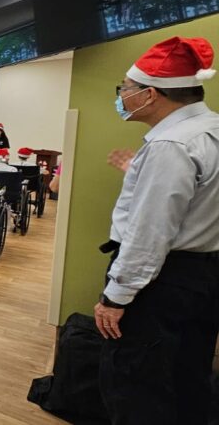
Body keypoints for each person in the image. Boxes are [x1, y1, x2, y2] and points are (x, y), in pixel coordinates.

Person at [93, 36, 219, 424]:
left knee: (137, 385)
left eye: (126, 88)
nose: (121, 95)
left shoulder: (170, 145)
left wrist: (116, 296)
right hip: (204, 277)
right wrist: (140, 173)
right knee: (188, 377)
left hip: (162, 283)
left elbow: (150, 234)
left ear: (149, 94)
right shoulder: (208, 130)